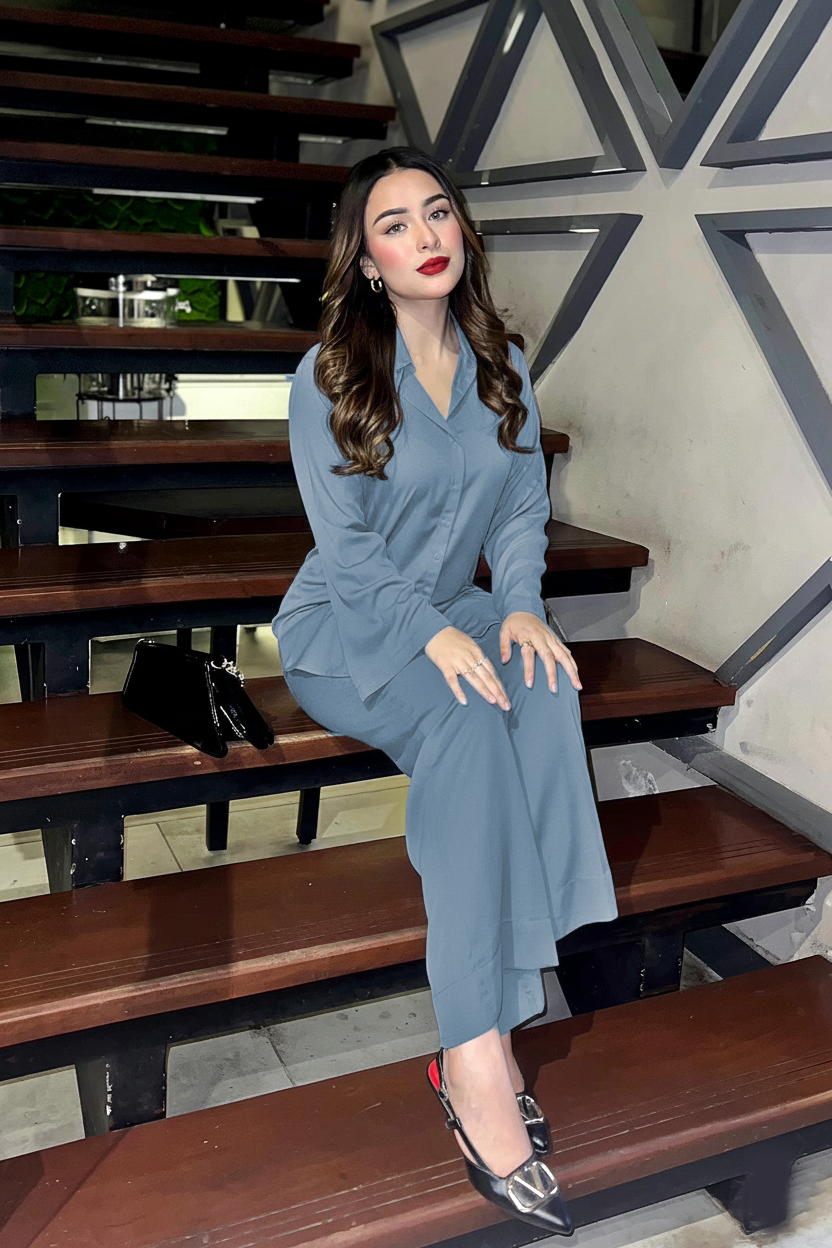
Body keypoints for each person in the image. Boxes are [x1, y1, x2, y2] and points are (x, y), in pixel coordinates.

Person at [273, 146, 617, 1235]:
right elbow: (348, 552)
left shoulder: (498, 359)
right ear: (366, 260)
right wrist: (428, 636)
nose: (424, 236)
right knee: (469, 724)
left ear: (460, 229)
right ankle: (475, 1056)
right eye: (394, 225)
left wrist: (517, 606)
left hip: (456, 608)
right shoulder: (328, 374)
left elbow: (520, 506)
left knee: (543, 682)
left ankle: (505, 999)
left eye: (437, 213)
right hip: (348, 627)